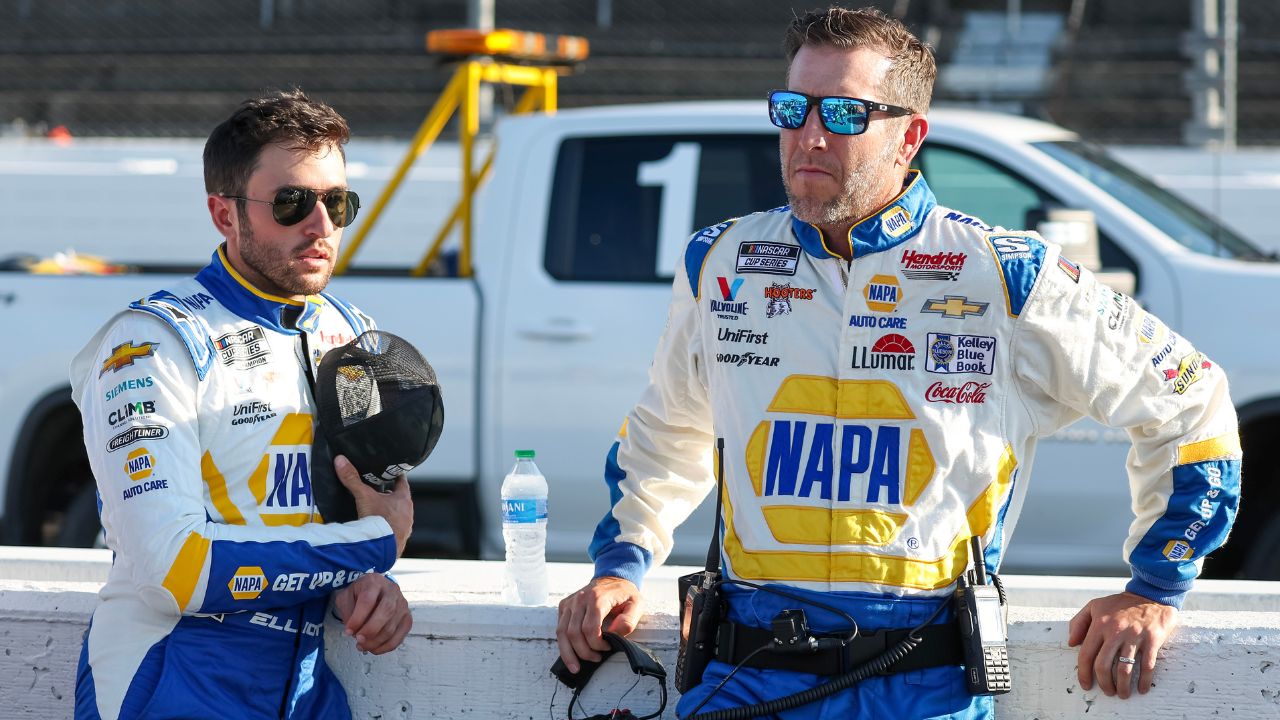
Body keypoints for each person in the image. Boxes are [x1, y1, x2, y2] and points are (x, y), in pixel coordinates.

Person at [556, 7, 1240, 719]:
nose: (810, 135)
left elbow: (1193, 400)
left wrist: (1155, 588)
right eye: (793, 108)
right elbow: (667, 432)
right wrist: (621, 567)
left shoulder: (1006, 275)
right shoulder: (722, 261)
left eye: (844, 113)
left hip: (921, 686)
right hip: (748, 674)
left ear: (909, 137)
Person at [71, 89, 415, 719]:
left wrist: (370, 584)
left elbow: (360, 512)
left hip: (303, 686)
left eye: (338, 203)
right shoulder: (151, 343)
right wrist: (373, 546)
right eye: (292, 203)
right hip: (171, 679)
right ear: (223, 214)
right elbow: (174, 570)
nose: (322, 226)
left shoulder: (351, 332)